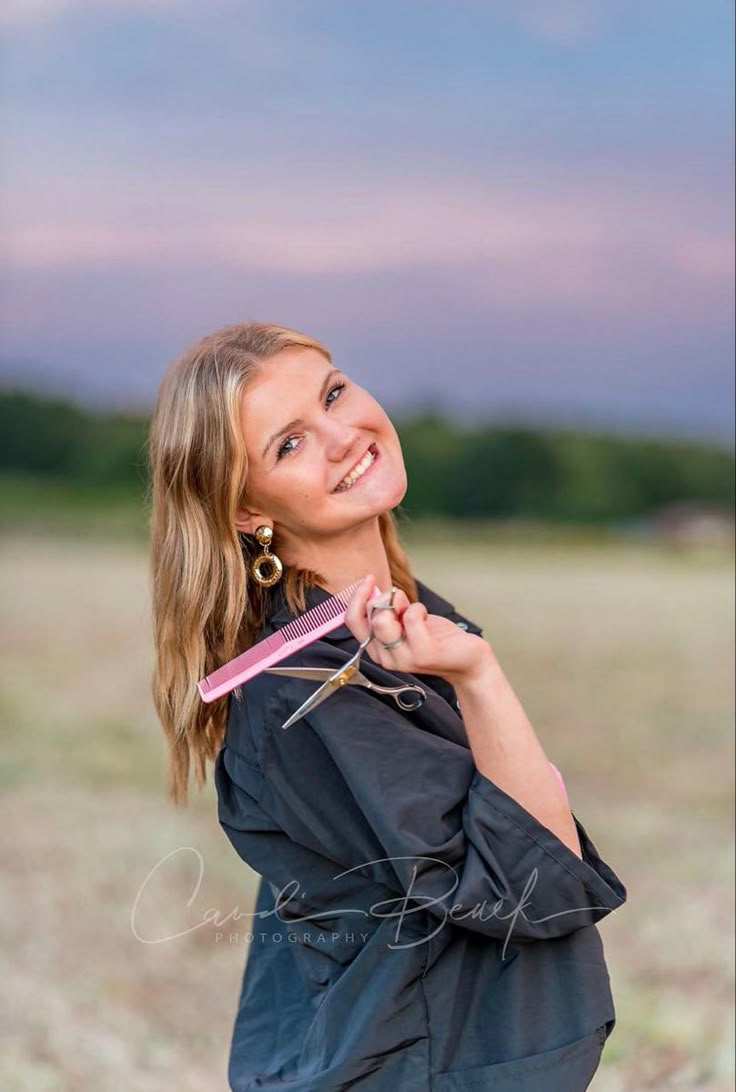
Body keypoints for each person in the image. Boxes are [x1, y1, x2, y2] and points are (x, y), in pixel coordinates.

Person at [147, 321, 627, 1091]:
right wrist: (480, 677)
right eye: (290, 444)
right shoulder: (298, 694)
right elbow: (532, 891)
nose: (343, 434)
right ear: (245, 512)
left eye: (334, 392)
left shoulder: (392, 628)